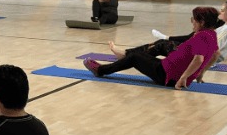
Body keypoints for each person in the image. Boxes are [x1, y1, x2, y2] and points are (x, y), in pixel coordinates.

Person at [85, 6, 219, 89]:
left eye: (194, 20)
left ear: (202, 22)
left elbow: (199, 59)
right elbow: (215, 54)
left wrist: (184, 78)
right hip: (168, 68)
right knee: (157, 47)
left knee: (134, 57)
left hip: (167, 75)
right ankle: (123, 55)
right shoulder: (212, 34)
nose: (192, 23)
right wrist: (200, 73)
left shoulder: (201, 36)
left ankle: (101, 70)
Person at [117, 0, 227, 69]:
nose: (220, 13)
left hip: (206, 60)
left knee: (162, 45)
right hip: (204, 57)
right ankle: (128, 54)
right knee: (162, 44)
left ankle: (128, 55)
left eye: (222, 11)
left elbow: (213, 51)